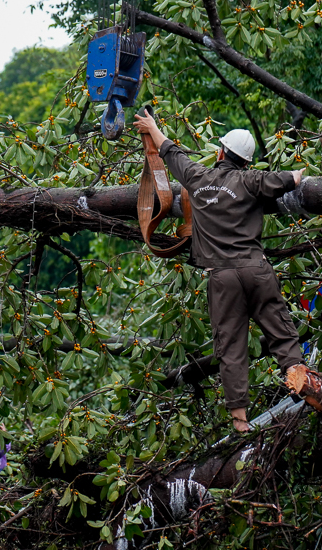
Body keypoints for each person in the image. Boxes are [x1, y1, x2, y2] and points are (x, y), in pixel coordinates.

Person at [132, 112, 308, 431]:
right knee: (280, 331)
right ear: (245, 162)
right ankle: (300, 381)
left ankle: (241, 423)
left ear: (221, 153)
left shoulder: (197, 178)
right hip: (256, 270)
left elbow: (171, 153)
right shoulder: (251, 180)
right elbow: (289, 179)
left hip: (223, 278)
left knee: (231, 347)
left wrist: (152, 127)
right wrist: (298, 173)